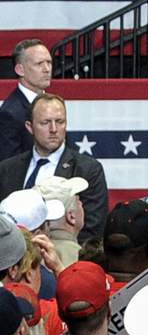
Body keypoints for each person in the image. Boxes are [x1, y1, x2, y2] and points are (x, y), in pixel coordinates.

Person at [0, 94, 105, 239]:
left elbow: (93, 228)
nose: (54, 129)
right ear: (30, 127)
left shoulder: (87, 170)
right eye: (45, 123)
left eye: (60, 121)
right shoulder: (7, 169)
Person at [0, 41, 48, 165]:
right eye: (39, 64)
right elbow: (9, 168)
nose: (47, 69)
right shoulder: (9, 113)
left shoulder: (53, 105)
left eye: (49, 62)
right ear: (20, 70)